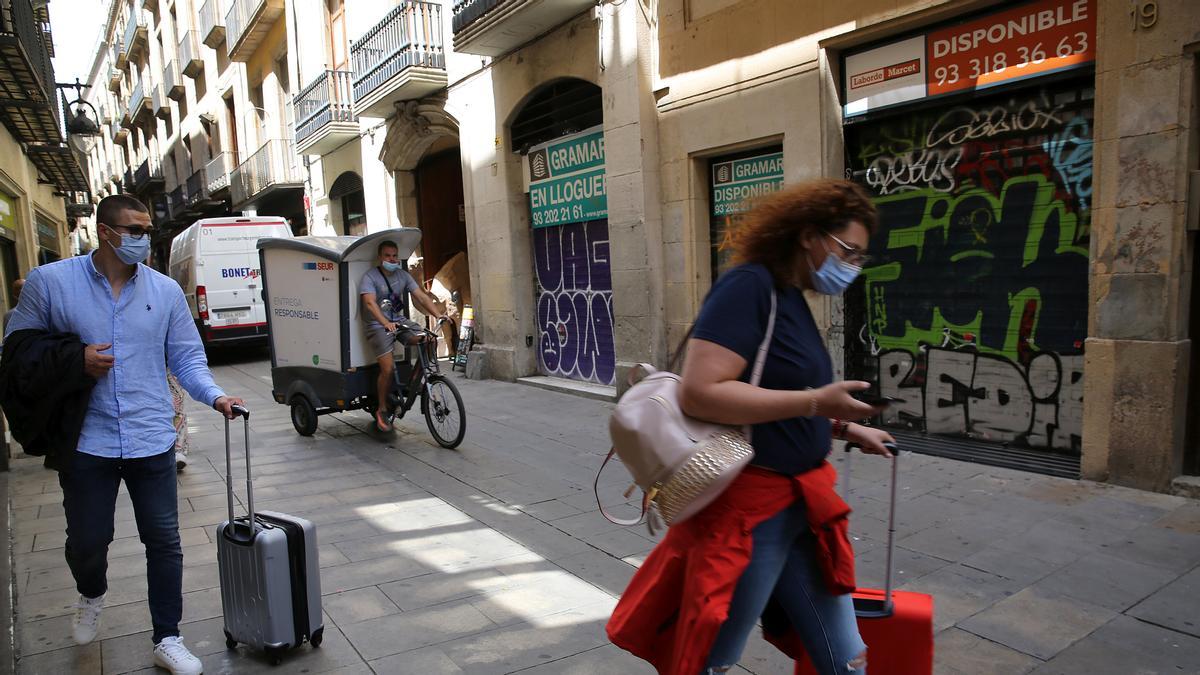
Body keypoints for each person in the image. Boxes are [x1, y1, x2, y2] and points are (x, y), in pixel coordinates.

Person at [606, 179, 895, 675]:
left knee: (847, 661)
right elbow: (701, 391)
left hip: (803, 507)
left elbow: (769, 397)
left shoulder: (792, 296)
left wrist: (842, 429)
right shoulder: (749, 286)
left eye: (859, 258)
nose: (852, 265)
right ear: (809, 235)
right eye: (848, 250)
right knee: (712, 658)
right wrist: (814, 402)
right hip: (750, 515)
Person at [4, 194, 244, 675]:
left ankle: (167, 637)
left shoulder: (166, 292)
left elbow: (186, 356)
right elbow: (16, 352)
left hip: (150, 435)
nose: (143, 238)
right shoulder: (52, 284)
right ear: (105, 232)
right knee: (88, 542)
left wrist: (214, 395)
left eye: (146, 229)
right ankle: (91, 593)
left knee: (164, 541)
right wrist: (77, 361)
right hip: (86, 440)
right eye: (134, 230)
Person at [360, 240, 447, 432]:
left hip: (399, 321)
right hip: (378, 326)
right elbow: (369, 304)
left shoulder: (402, 275)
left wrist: (438, 314)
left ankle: (414, 381)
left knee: (429, 339)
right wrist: (385, 323)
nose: (392, 259)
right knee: (388, 369)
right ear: (380, 257)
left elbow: (421, 296)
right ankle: (382, 409)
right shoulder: (370, 277)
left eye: (394, 256)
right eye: (387, 256)